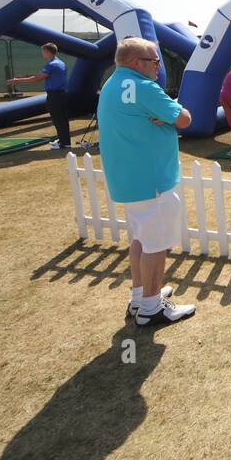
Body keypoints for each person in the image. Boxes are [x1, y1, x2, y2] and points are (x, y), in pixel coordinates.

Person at [96, 36, 196, 326]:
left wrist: (163, 116)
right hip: (152, 179)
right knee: (155, 244)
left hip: (128, 179)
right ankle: (151, 307)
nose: (157, 66)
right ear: (134, 63)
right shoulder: (144, 87)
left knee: (141, 239)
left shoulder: (111, 85)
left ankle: (140, 296)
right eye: (153, 61)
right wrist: (168, 115)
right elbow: (185, 119)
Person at [6, 43, 71, 149]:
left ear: (48, 52)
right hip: (60, 95)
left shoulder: (51, 64)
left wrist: (17, 81)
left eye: (43, 51)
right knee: (61, 119)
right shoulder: (59, 62)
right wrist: (28, 75)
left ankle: (65, 143)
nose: (42, 54)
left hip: (55, 96)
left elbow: (37, 79)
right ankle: (63, 140)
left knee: (58, 119)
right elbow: (42, 75)